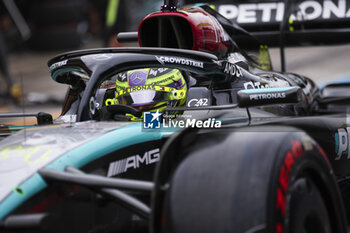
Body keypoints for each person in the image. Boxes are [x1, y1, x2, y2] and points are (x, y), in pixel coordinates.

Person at [103, 67, 187, 121]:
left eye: (149, 99)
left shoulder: (194, 122)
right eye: (129, 100)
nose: (140, 108)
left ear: (178, 95)